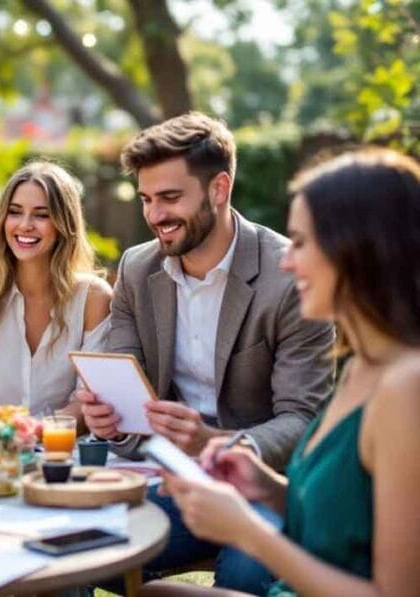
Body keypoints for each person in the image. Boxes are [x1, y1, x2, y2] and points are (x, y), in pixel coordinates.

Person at [144, 148, 420, 596]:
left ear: (360, 248)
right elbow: (339, 514)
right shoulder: (359, 367)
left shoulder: (407, 388)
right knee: (151, 592)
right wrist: (262, 483)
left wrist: (247, 532)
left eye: (302, 243)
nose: (286, 262)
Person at [79, 112, 335, 592]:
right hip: (169, 479)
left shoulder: (288, 281)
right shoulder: (137, 269)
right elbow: (129, 389)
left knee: (243, 575)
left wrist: (217, 446)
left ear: (219, 189)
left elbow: (304, 418)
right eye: (147, 200)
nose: (155, 216)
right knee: (76, 548)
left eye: (170, 198)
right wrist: (109, 418)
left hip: (263, 486)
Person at [0, 161, 111, 421]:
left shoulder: (93, 298)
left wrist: (34, 434)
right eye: (15, 212)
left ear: (64, 223)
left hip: (65, 454)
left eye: (41, 214)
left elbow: (89, 399)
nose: (25, 225)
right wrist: (0, 436)